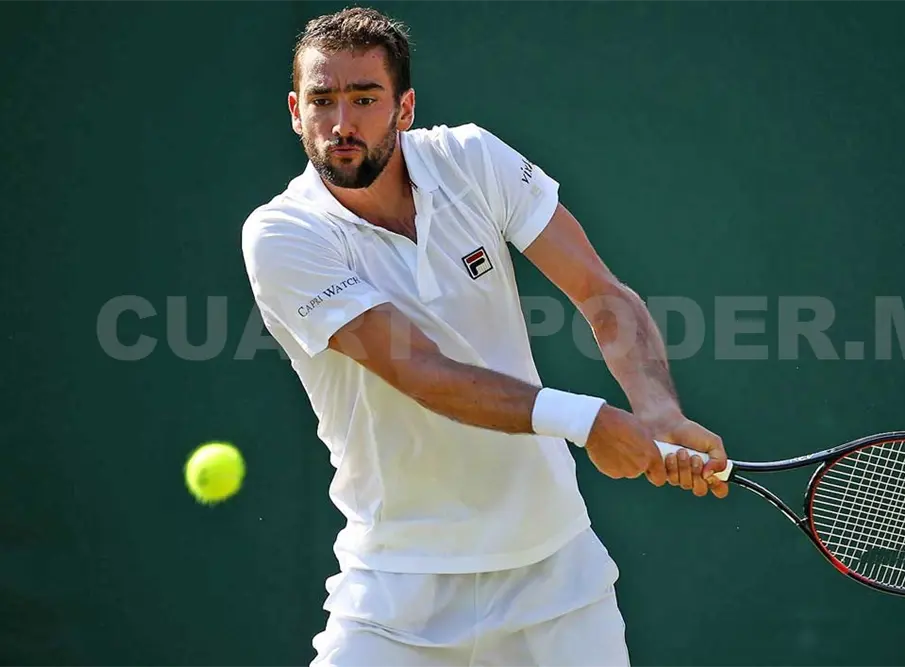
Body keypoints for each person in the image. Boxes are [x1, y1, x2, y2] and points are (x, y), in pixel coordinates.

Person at [241, 7, 729, 666]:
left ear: (404, 107)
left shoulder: (472, 158)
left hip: (558, 584)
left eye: (365, 98)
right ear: (296, 111)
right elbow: (421, 373)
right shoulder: (282, 235)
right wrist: (588, 419)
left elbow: (601, 293)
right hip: (396, 592)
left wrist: (658, 408)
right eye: (323, 101)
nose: (342, 123)